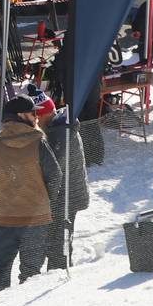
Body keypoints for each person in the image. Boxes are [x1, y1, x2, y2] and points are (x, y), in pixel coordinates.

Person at [0, 95, 59, 294]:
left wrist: (7, 197)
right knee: (31, 275)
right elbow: (55, 176)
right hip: (37, 218)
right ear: (21, 115)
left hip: (6, 218)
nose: (37, 116)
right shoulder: (38, 141)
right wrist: (43, 200)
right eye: (33, 113)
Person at [23, 103, 89, 273]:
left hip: (66, 198)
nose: (35, 121)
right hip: (60, 196)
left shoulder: (61, 133)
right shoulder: (58, 127)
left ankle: (58, 274)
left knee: (60, 244)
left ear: (45, 115)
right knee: (55, 240)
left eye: (37, 117)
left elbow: (51, 170)